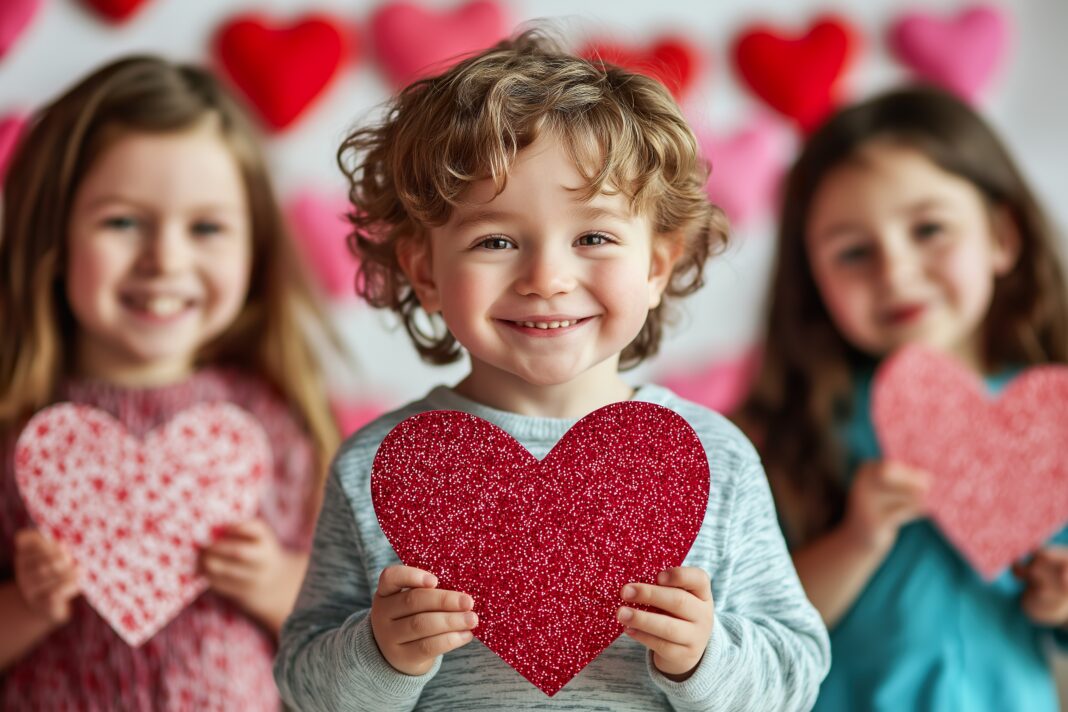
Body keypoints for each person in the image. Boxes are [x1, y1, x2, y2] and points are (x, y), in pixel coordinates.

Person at [274, 30, 830, 711]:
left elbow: (796, 674)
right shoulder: (375, 468)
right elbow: (303, 684)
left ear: (656, 264)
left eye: (593, 237)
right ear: (424, 269)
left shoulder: (718, 460)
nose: (546, 278)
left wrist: (704, 658)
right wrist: (380, 654)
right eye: (496, 240)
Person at [0, 56, 341, 710]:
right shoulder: (16, 427)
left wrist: (274, 584)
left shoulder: (269, 421)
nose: (166, 260)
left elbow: (347, 621)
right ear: (54, 234)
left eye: (206, 228)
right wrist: (28, 603)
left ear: (254, 247)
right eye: (122, 222)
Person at [738, 85, 1068, 711]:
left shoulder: (1053, 421)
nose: (895, 272)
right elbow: (758, 622)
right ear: (813, 280)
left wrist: (1060, 602)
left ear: (1002, 236)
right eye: (854, 252)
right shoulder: (792, 431)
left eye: (929, 229)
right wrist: (858, 536)